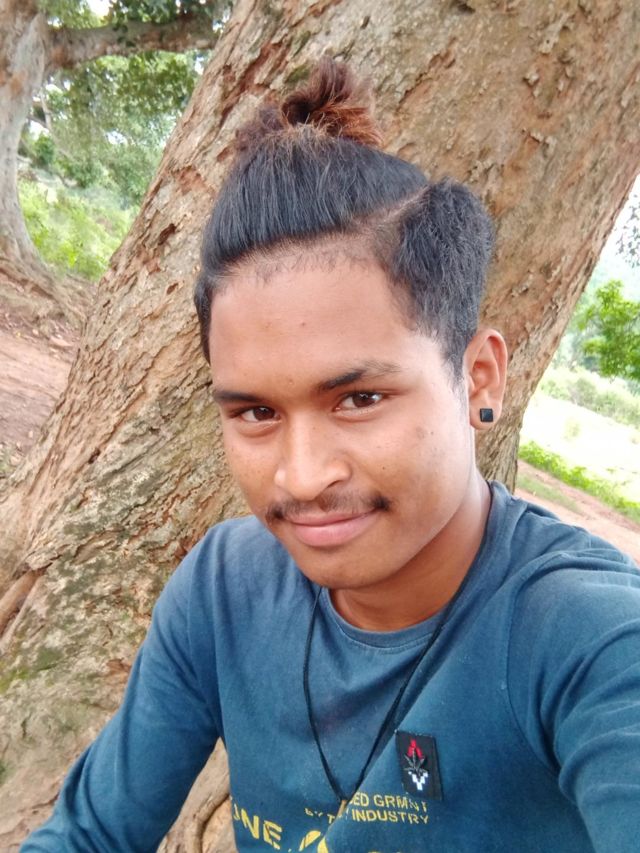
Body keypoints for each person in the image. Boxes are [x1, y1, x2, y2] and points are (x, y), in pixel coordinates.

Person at [23, 59, 640, 853]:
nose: (304, 476)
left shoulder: (588, 638)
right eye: (256, 412)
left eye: (359, 398)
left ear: (479, 378)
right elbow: (90, 834)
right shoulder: (225, 590)